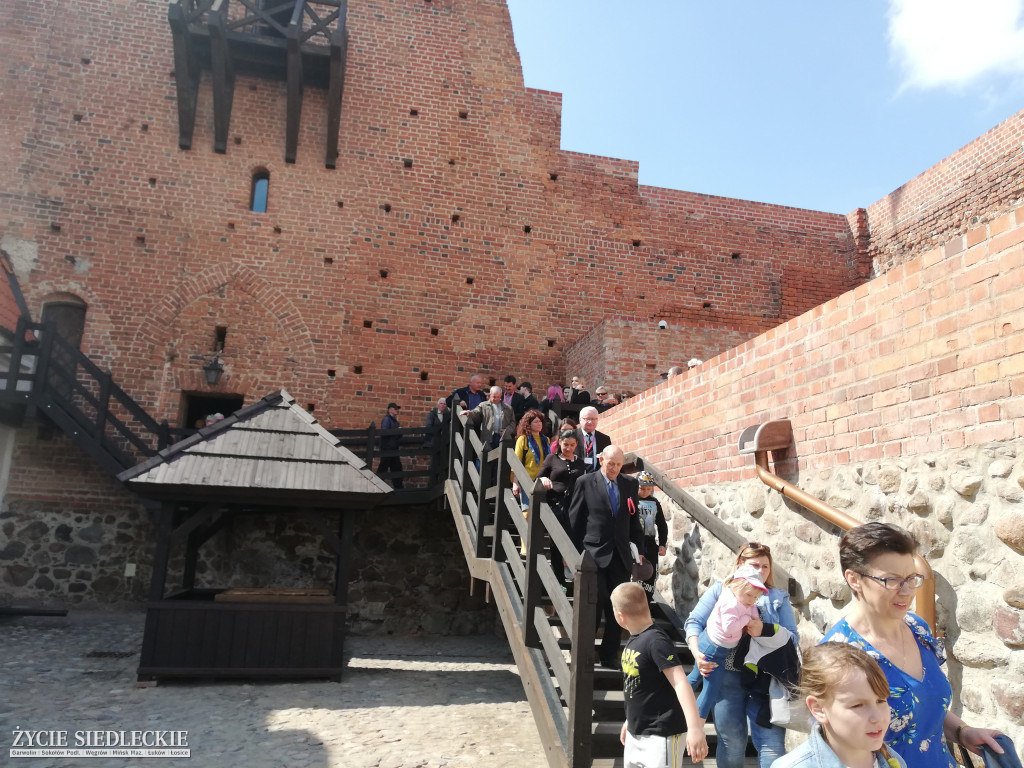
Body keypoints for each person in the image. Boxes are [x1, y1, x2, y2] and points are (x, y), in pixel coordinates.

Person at [821, 522, 1004, 768]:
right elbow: (834, 754)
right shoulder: (838, 657)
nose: (907, 591)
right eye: (892, 580)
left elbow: (923, 707)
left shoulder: (918, 628)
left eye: (912, 578)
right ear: (854, 579)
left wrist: (962, 733)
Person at [684, 542, 798, 768]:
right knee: (732, 742)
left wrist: (764, 630)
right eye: (755, 565)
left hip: (765, 682)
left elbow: (793, 639)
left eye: (766, 567)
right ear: (740, 565)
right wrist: (697, 653)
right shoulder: (721, 589)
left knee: (771, 745)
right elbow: (694, 622)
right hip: (726, 677)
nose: (761, 572)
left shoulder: (778, 597)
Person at [612, 582, 709, 767]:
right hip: (636, 732)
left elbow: (681, 682)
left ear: (619, 616)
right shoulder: (635, 640)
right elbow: (640, 685)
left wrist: (695, 728)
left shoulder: (656, 641)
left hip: (662, 735)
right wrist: (630, 720)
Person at [771, 643, 908, 768]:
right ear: (818, 709)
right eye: (858, 705)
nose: (877, 717)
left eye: (881, 701)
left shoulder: (893, 761)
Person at [568, 445, 645, 668]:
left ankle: (609, 655)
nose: (614, 468)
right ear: (601, 460)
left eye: (619, 465)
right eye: (610, 463)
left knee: (619, 607)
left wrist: (638, 549)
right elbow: (575, 519)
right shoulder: (585, 482)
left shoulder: (630, 484)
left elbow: (634, 518)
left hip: (620, 556)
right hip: (593, 554)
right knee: (596, 601)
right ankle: (585, 653)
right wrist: (572, 553)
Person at [687, 566, 768, 720]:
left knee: (695, 677)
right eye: (749, 595)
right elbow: (729, 627)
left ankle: (669, 699)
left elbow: (751, 610)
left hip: (714, 645)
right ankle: (696, 723)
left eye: (755, 598)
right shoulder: (730, 603)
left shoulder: (743, 600)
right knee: (711, 688)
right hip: (714, 649)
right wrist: (747, 621)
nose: (752, 600)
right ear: (736, 586)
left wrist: (754, 618)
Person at [635, 472, 668, 598]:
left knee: (651, 574)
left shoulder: (654, 502)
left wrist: (662, 544)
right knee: (634, 575)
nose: (645, 491)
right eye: (642, 488)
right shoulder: (631, 500)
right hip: (634, 544)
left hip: (650, 544)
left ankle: (647, 604)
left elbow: (661, 524)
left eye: (648, 489)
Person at [511, 409, 549, 511]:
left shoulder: (546, 440)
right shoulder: (523, 439)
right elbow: (516, 462)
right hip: (527, 480)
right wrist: (515, 482)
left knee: (540, 512)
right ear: (529, 424)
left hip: (542, 481)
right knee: (527, 511)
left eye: (540, 421)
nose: (539, 424)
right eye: (536, 422)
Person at [467, 385, 514, 450]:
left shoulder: (508, 408)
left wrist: (507, 431)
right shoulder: (483, 405)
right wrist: (469, 413)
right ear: (490, 395)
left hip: (502, 437)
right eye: (494, 397)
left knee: (501, 457)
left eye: (498, 397)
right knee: (487, 456)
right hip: (488, 436)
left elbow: (513, 422)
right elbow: (476, 412)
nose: (496, 399)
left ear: (501, 395)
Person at [575, 406, 610, 472]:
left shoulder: (605, 439)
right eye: (587, 419)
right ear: (580, 420)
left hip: (596, 479)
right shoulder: (572, 435)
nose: (590, 422)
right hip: (576, 479)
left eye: (594, 419)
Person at [378, 402, 403, 489]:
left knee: (397, 468)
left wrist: (399, 432)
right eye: (395, 409)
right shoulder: (387, 419)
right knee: (383, 468)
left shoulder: (394, 420)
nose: (397, 410)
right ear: (390, 410)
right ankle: (378, 487)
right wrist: (396, 430)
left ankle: (399, 488)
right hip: (387, 448)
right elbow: (385, 432)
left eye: (397, 409)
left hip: (394, 448)